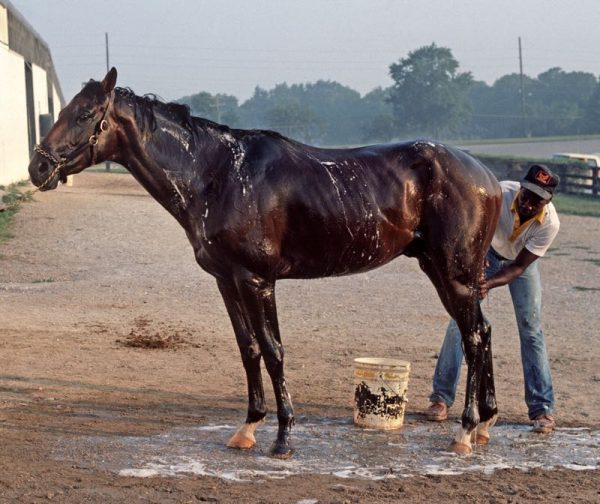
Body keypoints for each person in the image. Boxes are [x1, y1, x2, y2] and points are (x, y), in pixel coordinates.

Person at [425, 164, 560, 434]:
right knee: (460, 322)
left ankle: (542, 408)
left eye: (538, 200)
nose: (529, 203)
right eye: (527, 194)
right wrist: (476, 269)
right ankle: (441, 398)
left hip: (520, 264)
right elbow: (472, 231)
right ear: (520, 187)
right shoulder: (497, 194)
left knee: (531, 329)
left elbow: (519, 267)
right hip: (485, 252)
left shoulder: (549, 224)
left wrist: (490, 283)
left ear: (548, 201)